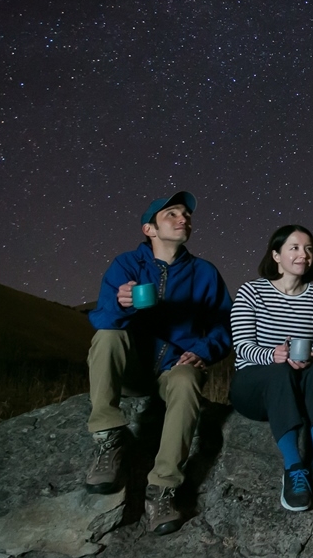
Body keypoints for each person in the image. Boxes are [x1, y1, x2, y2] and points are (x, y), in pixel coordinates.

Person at [85, 190, 232, 535]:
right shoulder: (126, 265)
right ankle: (108, 437)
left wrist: (203, 351)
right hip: (132, 369)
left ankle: (163, 488)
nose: (184, 219)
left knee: (186, 380)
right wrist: (122, 305)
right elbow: (101, 318)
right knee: (107, 336)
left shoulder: (205, 273)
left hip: (173, 369)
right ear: (149, 229)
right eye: (172, 214)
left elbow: (224, 326)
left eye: (187, 216)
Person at [228, 224, 313, 512]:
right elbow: (241, 346)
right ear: (276, 255)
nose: (303, 254)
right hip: (254, 386)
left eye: (308, 248)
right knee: (280, 371)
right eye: (294, 248)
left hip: (299, 382)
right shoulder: (252, 292)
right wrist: (274, 355)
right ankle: (293, 470)